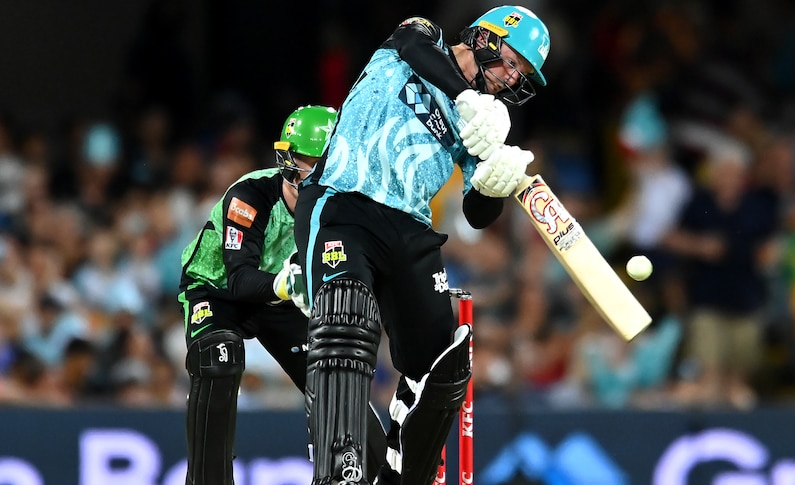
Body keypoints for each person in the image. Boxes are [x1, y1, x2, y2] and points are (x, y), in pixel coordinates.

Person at [293, 6, 551, 485]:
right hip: (345, 202)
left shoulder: (483, 127)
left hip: (410, 229)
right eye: (512, 62)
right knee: (346, 319)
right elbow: (412, 48)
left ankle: (401, 476)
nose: (511, 79)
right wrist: (463, 98)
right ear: (488, 38)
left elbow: (476, 213)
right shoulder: (421, 37)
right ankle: (339, 472)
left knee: (446, 363)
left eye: (521, 75)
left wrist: (493, 182)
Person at [178, 105, 386, 485]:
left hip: (284, 295)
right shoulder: (250, 194)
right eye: (303, 162)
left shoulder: (344, 205)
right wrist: (288, 285)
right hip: (216, 288)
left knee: (335, 367)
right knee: (219, 356)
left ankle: (371, 474)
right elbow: (240, 279)